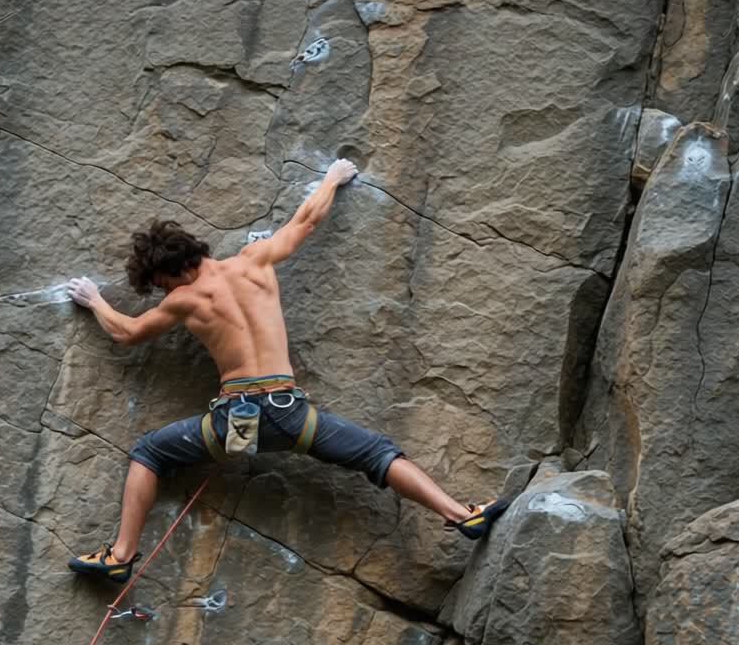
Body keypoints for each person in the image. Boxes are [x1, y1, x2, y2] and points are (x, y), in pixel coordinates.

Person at [66, 159, 508, 582]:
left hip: (238, 424)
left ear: (171, 271)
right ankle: (460, 513)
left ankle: (120, 556)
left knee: (150, 453)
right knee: (377, 454)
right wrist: (333, 178)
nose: (165, 292)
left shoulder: (185, 299)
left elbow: (126, 333)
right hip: (292, 416)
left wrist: (94, 300)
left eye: (161, 285)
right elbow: (306, 221)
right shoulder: (256, 260)